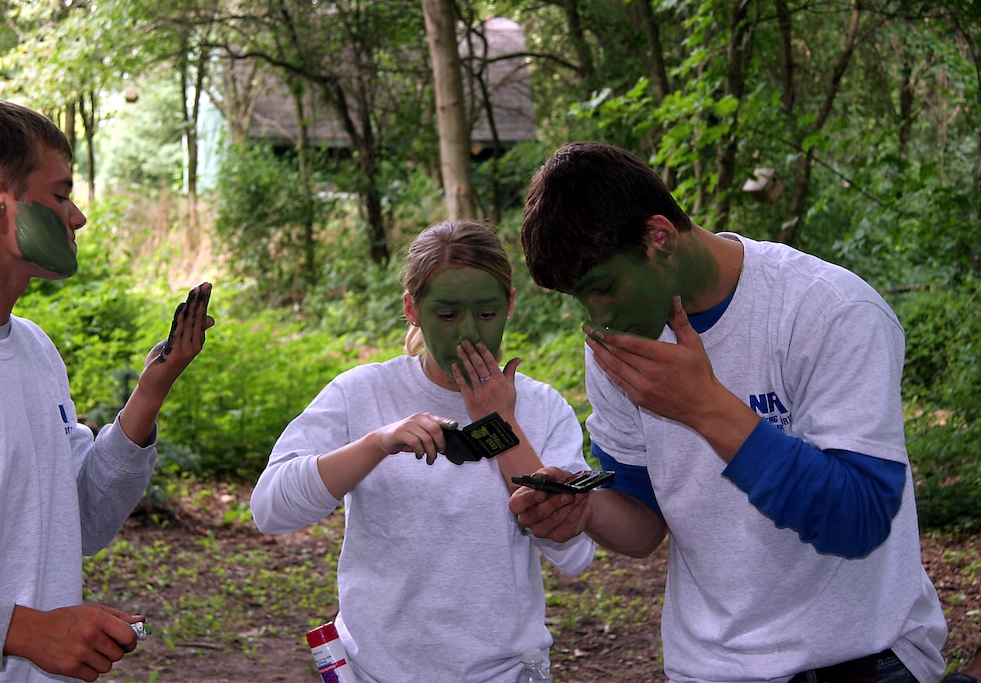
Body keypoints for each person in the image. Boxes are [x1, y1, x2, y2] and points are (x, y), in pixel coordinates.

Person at [509, 141, 947, 683]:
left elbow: (858, 520)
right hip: (713, 667)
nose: (597, 317)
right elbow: (643, 524)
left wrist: (705, 406)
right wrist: (584, 510)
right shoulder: (622, 347)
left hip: (864, 661)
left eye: (603, 288)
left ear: (659, 237)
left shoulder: (829, 311)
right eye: (580, 299)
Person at [0, 97, 214, 682]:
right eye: (61, 194)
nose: (77, 217)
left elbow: (85, 519)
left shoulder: (35, 349)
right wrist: (27, 631)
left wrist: (150, 393)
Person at [250, 220, 596, 683]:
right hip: (375, 670)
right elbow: (270, 510)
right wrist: (376, 443)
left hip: (505, 672)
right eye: (448, 315)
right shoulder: (363, 393)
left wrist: (502, 424)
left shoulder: (541, 407)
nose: (469, 335)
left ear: (511, 304)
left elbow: (574, 556)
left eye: (487, 314)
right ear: (413, 310)